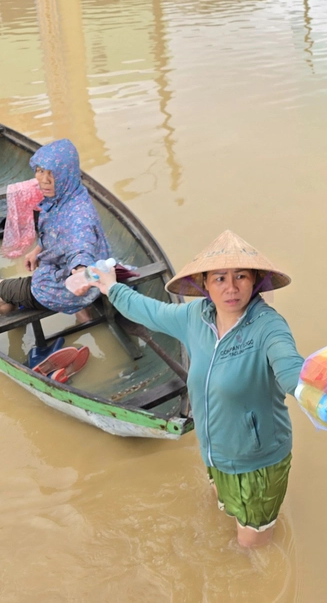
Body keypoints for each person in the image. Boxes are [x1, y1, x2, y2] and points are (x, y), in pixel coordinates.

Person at [86, 230, 303, 548]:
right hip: (214, 452)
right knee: (222, 510)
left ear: (255, 281)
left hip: (258, 461)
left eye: (241, 276)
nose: (231, 288)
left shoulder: (268, 326)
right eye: (219, 278)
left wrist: (316, 389)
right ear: (205, 285)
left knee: (251, 548)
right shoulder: (194, 317)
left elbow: (291, 369)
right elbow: (149, 311)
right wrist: (111, 288)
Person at [0, 139, 109, 320]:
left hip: (68, 287)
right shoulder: (71, 193)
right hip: (86, 278)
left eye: (53, 173)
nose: (44, 180)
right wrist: (38, 249)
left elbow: (80, 245)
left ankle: (7, 316)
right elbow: (58, 235)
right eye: (40, 171)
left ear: (65, 174)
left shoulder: (79, 217)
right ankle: (84, 314)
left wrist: (81, 271)